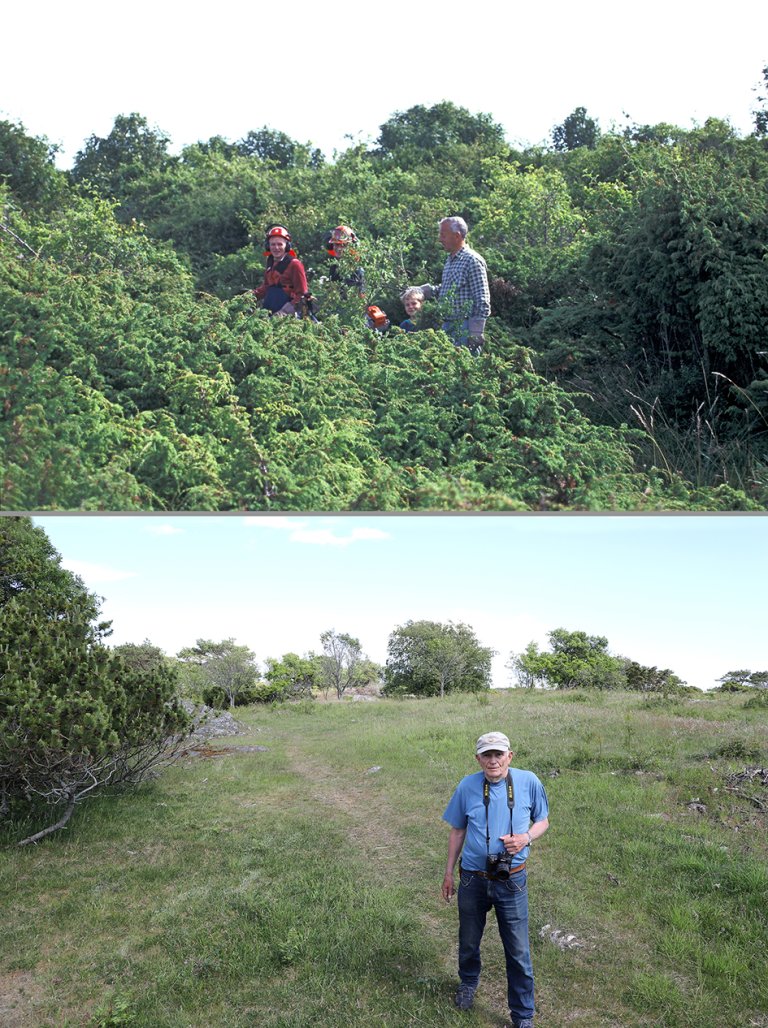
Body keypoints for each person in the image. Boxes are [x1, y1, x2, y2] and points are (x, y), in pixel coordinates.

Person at [442, 731, 549, 1028]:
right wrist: (449, 872)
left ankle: (523, 1015)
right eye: (486, 755)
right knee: (468, 939)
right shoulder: (467, 786)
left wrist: (526, 837)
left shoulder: (528, 781)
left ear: (510, 756)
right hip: (472, 879)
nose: (493, 760)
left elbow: (543, 821)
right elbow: (458, 831)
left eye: (498, 754)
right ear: (478, 759)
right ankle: (468, 983)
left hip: (511, 880)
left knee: (518, 951)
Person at [419, 216, 491, 353]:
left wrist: (476, 333)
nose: (440, 239)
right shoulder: (450, 260)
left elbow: (482, 299)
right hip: (448, 326)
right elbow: (448, 290)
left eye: (443, 235)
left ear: (457, 236)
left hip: (464, 328)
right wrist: (422, 291)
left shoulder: (472, 260)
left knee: (465, 371)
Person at [254, 225, 308, 316]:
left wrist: (284, 312)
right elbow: (266, 287)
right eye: (273, 244)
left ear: (286, 246)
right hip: (270, 311)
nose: (276, 248)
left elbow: (302, 294)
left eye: (280, 244)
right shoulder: (271, 263)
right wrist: (248, 297)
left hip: (288, 316)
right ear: (268, 246)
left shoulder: (295, 264)